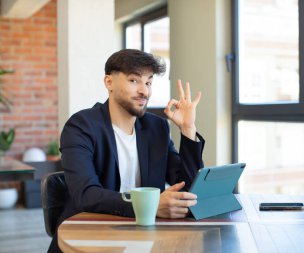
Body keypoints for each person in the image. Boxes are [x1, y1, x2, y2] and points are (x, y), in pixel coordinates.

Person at [48, 49, 205, 252]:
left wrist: (187, 129)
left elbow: (188, 190)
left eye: (148, 82)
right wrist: (149, 206)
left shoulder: (157, 128)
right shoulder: (81, 126)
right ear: (109, 82)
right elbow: (86, 194)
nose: (144, 91)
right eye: (134, 81)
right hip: (90, 236)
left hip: (146, 237)